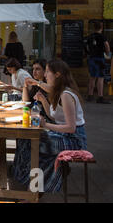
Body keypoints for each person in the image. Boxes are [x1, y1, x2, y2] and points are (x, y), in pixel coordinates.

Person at [12, 59, 87, 193]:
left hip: (73, 141)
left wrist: (45, 124)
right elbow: (54, 116)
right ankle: (29, 183)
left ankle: (31, 188)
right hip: (63, 136)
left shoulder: (65, 94)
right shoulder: (58, 91)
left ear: (57, 74)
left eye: (47, 72)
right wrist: (43, 100)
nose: (45, 75)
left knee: (31, 143)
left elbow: (71, 128)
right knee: (25, 140)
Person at [85, 21, 111, 104]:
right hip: (100, 59)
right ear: (101, 27)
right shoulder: (102, 37)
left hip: (91, 58)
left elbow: (86, 47)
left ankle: (90, 96)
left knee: (92, 77)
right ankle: (100, 97)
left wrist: (89, 53)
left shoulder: (90, 37)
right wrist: (107, 53)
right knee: (100, 78)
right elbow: (107, 45)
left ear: (94, 27)